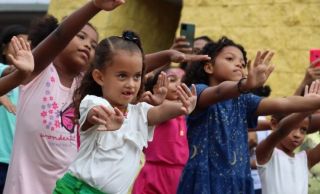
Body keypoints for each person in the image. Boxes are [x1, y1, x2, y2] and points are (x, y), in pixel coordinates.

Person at [53, 31, 197, 194]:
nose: (131, 84)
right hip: (76, 190)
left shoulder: (139, 113)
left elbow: (160, 111)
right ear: (100, 77)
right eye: (122, 76)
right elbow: (95, 114)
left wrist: (182, 107)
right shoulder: (94, 102)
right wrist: (107, 118)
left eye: (136, 77)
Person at [3, 1, 125, 194]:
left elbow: (121, 72)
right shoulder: (38, 71)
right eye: (81, 36)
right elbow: (60, 36)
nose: (87, 45)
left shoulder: (85, 88)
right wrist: (95, 6)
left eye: (93, 45)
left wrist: (168, 56)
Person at [177, 36, 320, 194]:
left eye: (243, 63)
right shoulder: (198, 92)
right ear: (209, 67)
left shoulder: (244, 101)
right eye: (230, 58)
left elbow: (283, 104)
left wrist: (312, 102)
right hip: (204, 182)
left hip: (238, 183)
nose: (239, 64)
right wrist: (245, 85)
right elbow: (219, 91)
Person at [256, 80, 320, 194]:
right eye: (293, 127)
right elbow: (281, 131)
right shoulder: (266, 154)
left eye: (303, 130)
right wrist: (305, 111)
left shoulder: (305, 159)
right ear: (274, 124)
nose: (297, 135)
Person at [132, 66, 188, 194]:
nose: (179, 84)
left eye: (184, 81)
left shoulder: (186, 113)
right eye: (172, 80)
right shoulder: (155, 107)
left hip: (180, 175)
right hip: (155, 174)